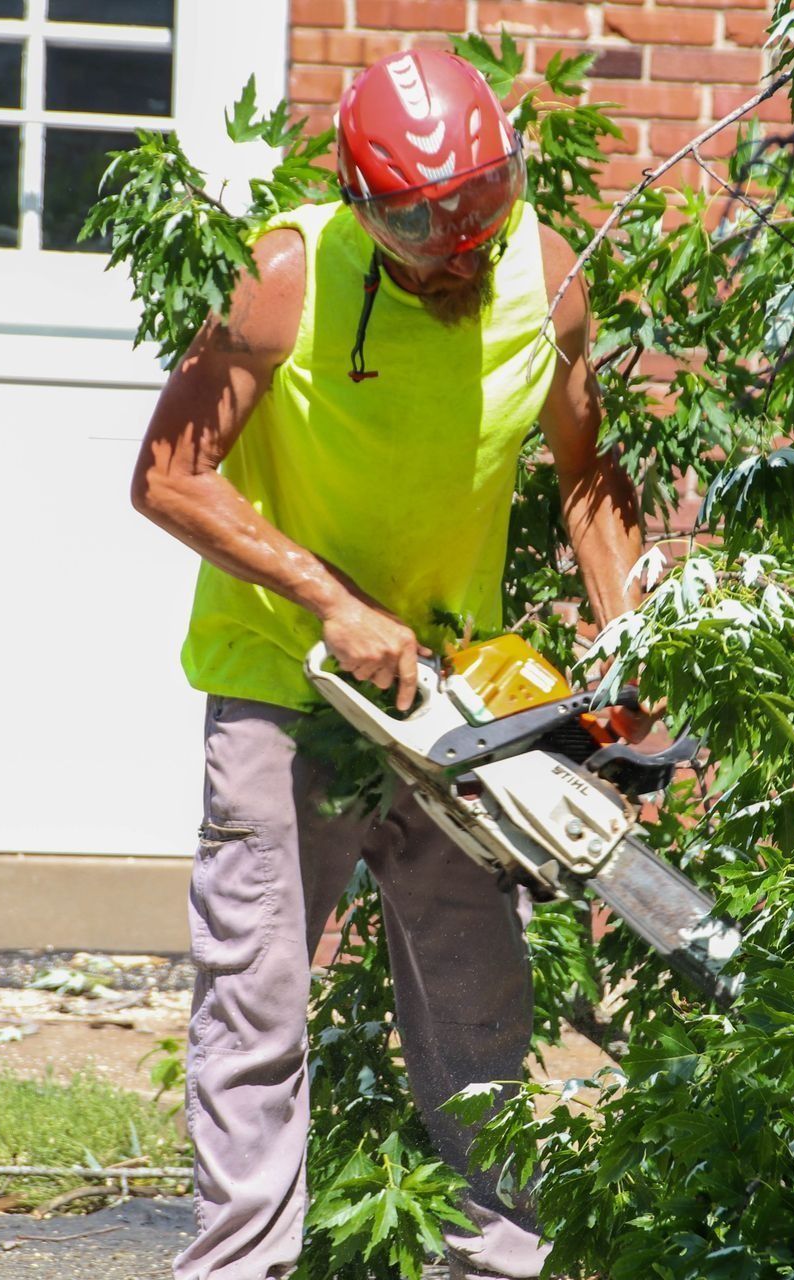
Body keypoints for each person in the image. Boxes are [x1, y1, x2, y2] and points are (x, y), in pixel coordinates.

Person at [130, 48, 645, 1280]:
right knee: (257, 1003)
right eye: (420, 222)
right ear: (363, 202)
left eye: (480, 202)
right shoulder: (285, 280)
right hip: (278, 685)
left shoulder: (548, 277)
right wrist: (329, 600)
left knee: (480, 1004)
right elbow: (166, 476)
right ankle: (239, 1268)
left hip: (451, 706)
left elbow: (585, 481)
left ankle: (496, 1263)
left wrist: (627, 644)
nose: (458, 242)